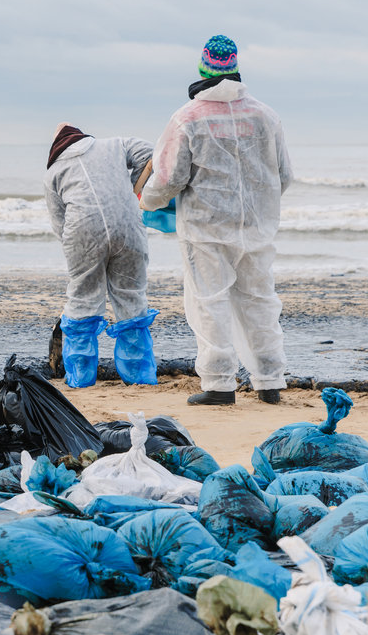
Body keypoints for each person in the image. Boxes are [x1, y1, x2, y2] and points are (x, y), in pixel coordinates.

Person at [141, 35, 292, 406]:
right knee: (259, 301)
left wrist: (148, 201)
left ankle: (220, 384)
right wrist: (255, 206)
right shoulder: (264, 115)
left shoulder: (188, 118)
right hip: (256, 229)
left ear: (203, 69)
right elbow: (283, 174)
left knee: (210, 303)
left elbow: (170, 177)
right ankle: (270, 381)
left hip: (205, 230)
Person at [44, 124, 159, 387]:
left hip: (82, 235)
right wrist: (132, 193)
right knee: (131, 295)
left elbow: (58, 222)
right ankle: (139, 377)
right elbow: (152, 155)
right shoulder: (117, 144)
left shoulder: (54, 172)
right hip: (128, 227)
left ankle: (81, 379)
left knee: (83, 297)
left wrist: (79, 251)